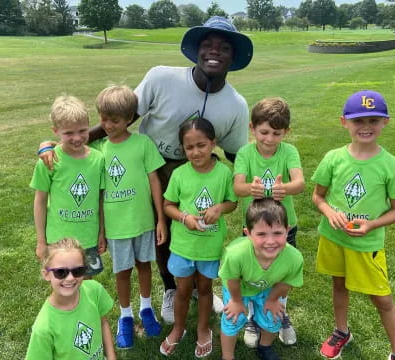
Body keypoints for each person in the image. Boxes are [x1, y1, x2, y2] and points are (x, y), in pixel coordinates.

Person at [36, 16, 253, 323]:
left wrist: (261, 184)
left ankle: (196, 286)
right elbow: (121, 117)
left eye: (223, 47)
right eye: (207, 44)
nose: (213, 51)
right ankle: (170, 288)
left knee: (197, 230)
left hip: (195, 171)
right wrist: (57, 144)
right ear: (196, 50)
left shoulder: (236, 104)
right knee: (160, 235)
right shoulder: (161, 77)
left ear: (233, 56)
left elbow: (236, 153)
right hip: (147, 166)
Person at [311, 90, 395, 360]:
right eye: (358, 121)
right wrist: (329, 212)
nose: (366, 127)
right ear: (344, 122)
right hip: (333, 238)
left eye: (373, 121)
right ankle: (341, 331)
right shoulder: (333, 158)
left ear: (385, 122)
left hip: (366, 244)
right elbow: (318, 196)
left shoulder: (391, 165)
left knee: (381, 298)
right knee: (339, 284)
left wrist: (372, 225)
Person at [89, 85, 166, 349]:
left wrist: (160, 219)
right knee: (122, 272)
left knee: (144, 265)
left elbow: (154, 180)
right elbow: (98, 193)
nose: (108, 125)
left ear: (130, 118)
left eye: (115, 120)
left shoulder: (142, 143)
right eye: (103, 119)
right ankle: (125, 315)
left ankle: (146, 309)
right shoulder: (98, 150)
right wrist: (101, 230)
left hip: (143, 221)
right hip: (116, 226)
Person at [159, 118, 237, 358]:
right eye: (189, 147)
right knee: (182, 290)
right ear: (183, 148)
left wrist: (219, 209)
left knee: (204, 288)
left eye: (201, 145)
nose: (195, 152)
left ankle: (204, 329)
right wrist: (184, 218)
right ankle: (179, 328)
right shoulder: (180, 174)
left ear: (213, 143)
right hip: (183, 245)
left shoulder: (224, 172)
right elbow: (167, 205)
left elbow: (232, 202)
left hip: (210, 246)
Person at [233, 97, 304, 347]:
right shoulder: (245, 152)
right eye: (264, 132)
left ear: (286, 132)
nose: (269, 139)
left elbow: (300, 183)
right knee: (252, 272)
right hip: (254, 230)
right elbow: (238, 187)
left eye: (277, 133)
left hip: (285, 227)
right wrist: (250, 188)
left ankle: (279, 312)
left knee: (282, 272)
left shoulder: (289, 151)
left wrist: (284, 188)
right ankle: (253, 316)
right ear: (252, 128)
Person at [30, 95, 105, 277]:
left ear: (89, 125)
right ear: (55, 131)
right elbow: (40, 202)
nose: (77, 138)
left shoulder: (98, 159)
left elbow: (101, 199)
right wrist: (41, 241)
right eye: (69, 133)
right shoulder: (49, 161)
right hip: (58, 241)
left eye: (82, 130)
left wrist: (102, 232)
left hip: (88, 238)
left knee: (87, 286)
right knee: (62, 285)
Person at [219, 198, 303, 360]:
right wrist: (236, 301)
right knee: (232, 319)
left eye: (277, 233)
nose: (270, 241)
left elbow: (285, 283)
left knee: (273, 316)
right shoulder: (235, 254)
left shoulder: (294, 258)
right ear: (248, 234)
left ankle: (265, 347)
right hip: (238, 289)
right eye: (261, 234)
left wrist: (272, 300)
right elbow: (232, 279)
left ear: (288, 230)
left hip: (268, 288)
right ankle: (227, 356)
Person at [25, 238, 115, 360]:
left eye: (78, 271)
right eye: (61, 272)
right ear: (46, 274)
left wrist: (111, 356)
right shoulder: (43, 327)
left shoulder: (94, 290)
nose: (70, 278)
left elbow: (103, 323)